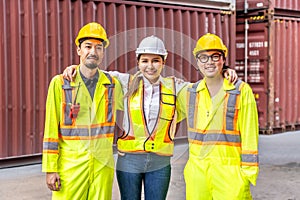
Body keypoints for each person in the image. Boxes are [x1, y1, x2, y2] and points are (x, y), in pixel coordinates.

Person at [63, 35, 238, 200]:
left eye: (156, 61)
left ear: (163, 62)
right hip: (129, 161)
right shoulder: (125, 83)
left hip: (160, 162)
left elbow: (205, 89)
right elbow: (94, 75)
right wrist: (75, 69)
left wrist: (225, 73)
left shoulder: (176, 87)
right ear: (138, 62)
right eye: (145, 61)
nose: (150, 66)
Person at [42, 22, 123, 200]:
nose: (93, 52)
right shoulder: (60, 84)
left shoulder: (112, 84)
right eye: (88, 46)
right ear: (79, 50)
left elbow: (141, 95)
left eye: (98, 47)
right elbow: (50, 130)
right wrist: (50, 169)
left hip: (103, 167)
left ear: (103, 53)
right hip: (71, 167)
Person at [183, 33, 259, 200]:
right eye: (203, 57)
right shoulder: (189, 92)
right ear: (197, 62)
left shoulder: (240, 90)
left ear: (223, 59)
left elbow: (250, 134)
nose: (209, 62)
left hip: (230, 173)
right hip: (197, 174)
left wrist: (246, 174)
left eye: (215, 56)